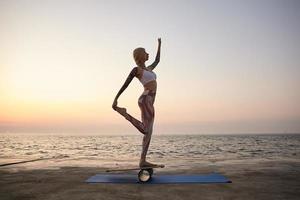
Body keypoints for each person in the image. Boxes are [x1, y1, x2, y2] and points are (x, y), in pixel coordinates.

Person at [112, 38, 161, 167]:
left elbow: (157, 60)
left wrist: (159, 44)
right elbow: (126, 83)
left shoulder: (149, 69)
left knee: (148, 131)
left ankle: (143, 160)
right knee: (146, 130)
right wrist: (116, 98)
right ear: (141, 56)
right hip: (146, 99)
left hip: (149, 100)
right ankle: (124, 113)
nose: (147, 54)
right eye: (145, 52)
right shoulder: (137, 70)